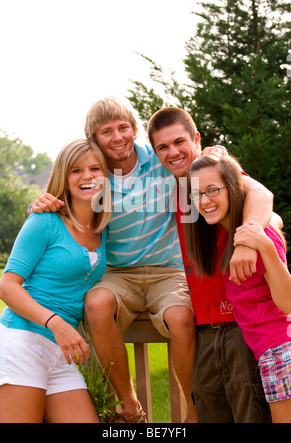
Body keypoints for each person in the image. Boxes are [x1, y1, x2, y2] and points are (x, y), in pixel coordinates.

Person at [28, 97, 197, 423]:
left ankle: (193, 412)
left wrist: (214, 152)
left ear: (134, 130)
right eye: (106, 132)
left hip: (168, 270)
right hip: (118, 273)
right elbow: (61, 201)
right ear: (93, 138)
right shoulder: (94, 173)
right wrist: (40, 204)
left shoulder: (160, 161)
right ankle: (130, 406)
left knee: (181, 317)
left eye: (123, 128)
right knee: (95, 304)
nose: (117, 137)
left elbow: (193, 157)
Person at [147, 106, 273, 422]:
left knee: (251, 411)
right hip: (205, 327)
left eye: (179, 142)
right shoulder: (178, 187)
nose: (173, 152)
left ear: (197, 139)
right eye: (162, 147)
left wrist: (246, 241)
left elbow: (261, 194)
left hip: (242, 325)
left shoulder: (217, 172)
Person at [0, 139, 111, 423]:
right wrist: (55, 322)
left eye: (95, 168)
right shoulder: (44, 221)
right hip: (23, 342)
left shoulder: (102, 227)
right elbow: (7, 285)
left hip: (62, 354)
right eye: (76, 170)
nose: (87, 176)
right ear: (64, 176)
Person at [185, 154, 291, 423]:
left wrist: (264, 245)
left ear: (232, 187)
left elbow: (288, 302)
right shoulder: (235, 233)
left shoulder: (258, 235)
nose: (205, 201)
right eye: (197, 194)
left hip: (280, 350)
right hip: (266, 352)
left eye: (212, 190)